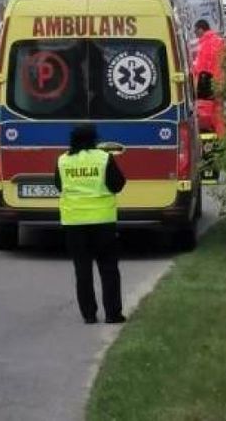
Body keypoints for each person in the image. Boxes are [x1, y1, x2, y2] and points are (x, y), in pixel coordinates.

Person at [54, 123, 127, 325]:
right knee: (109, 269)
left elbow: (59, 186)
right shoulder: (104, 158)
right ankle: (113, 314)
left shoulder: (63, 161)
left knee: (82, 270)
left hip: (74, 222)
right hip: (103, 221)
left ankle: (89, 314)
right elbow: (118, 184)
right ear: (94, 139)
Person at [193, 19, 226, 138]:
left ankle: (215, 140)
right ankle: (223, 138)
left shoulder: (205, 44)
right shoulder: (219, 41)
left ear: (201, 30)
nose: (195, 35)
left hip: (208, 82)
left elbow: (201, 67)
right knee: (219, 112)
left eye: (196, 32)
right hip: (221, 81)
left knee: (207, 113)